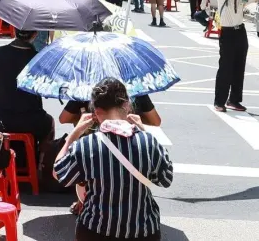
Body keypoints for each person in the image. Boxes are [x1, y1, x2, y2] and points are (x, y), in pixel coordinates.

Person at [54, 78, 173, 241]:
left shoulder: (86, 145)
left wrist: (74, 134)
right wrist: (143, 130)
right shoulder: (148, 141)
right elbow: (166, 178)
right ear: (127, 105)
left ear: (95, 111)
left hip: (96, 230)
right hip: (143, 230)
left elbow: (58, 173)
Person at [0, 29, 53, 161]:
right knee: (50, 123)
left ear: (14, 31)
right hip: (33, 120)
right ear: (35, 34)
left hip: (2, 119)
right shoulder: (39, 58)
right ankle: (42, 163)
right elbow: (46, 87)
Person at [59, 94, 162, 127]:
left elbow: (64, 118)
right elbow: (155, 121)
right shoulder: (136, 89)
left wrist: (88, 119)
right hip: (129, 146)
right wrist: (131, 119)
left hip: (90, 148)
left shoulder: (84, 90)